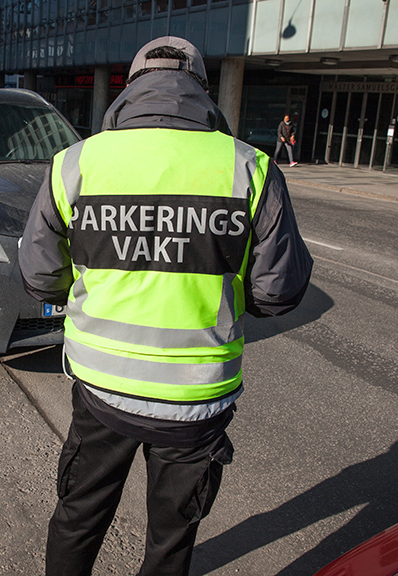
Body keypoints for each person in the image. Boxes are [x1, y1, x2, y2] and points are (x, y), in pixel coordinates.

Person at [19, 36, 313, 576]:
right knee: (171, 538)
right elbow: (279, 290)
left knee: (80, 515)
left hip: (102, 385)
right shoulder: (249, 167)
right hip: (195, 398)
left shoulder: (76, 162)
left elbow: (39, 274)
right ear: (202, 89)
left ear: (130, 88)